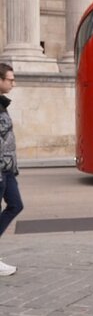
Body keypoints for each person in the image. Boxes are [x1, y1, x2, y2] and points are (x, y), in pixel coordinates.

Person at [0, 63, 24, 276]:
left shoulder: (2, 104)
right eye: (10, 79)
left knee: (16, 205)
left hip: (7, 168)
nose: (13, 83)